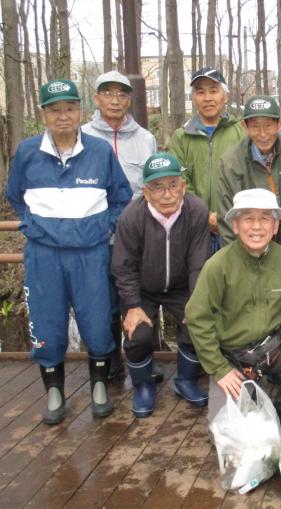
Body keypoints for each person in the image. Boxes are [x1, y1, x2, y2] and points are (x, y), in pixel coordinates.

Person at [5, 79, 132, 424]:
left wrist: (103, 226)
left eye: (70, 108)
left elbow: (121, 197)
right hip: (43, 254)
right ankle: (54, 391)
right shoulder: (28, 152)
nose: (63, 116)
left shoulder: (100, 151)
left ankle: (99, 385)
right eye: (55, 110)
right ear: (43, 113)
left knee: (96, 320)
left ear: (80, 110)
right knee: (47, 322)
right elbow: (16, 196)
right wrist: (35, 225)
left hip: (90, 252)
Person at [185, 189, 281, 432]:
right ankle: (246, 390)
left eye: (265, 219)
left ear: (275, 227)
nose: (256, 226)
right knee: (225, 432)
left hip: (274, 347)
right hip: (231, 357)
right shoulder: (217, 266)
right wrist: (219, 369)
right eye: (248, 219)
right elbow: (196, 317)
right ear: (235, 225)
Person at [112, 153, 211, 417]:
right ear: (145, 191)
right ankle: (143, 386)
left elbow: (198, 262)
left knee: (198, 324)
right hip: (143, 288)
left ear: (183, 186)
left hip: (181, 285)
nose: (166, 194)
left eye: (172, 185)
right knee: (138, 334)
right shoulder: (131, 217)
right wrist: (132, 305)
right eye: (157, 187)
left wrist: (196, 303)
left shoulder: (197, 210)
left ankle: (186, 380)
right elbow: (124, 266)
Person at [82, 70, 159, 381]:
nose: (115, 100)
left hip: (138, 237)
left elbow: (153, 189)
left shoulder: (145, 139)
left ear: (130, 99)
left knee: (140, 300)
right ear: (97, 98)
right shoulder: (82, 136)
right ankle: (109, 363)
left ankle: (144, 362)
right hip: (96, 238)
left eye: (122, 94)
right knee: (103, 303)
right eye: (108, 93)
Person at [168, 67, 245, 252]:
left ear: (225, 96)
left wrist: (226, 214)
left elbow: (248, 178)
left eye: (213, 90)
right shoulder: (181, 137)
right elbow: (178, 181)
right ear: (193, 98)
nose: (207, 98)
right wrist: (205, 215)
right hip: (192, 227)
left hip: (235, 226)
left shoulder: (241, 132)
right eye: (200, 92)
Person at [217, 95, 281, 246]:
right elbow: (227, 218)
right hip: (247, 246)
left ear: (280, 124)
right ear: (244, 127)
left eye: (268, 125)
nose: (263, 134)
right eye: (255, 126)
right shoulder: (231, 162)